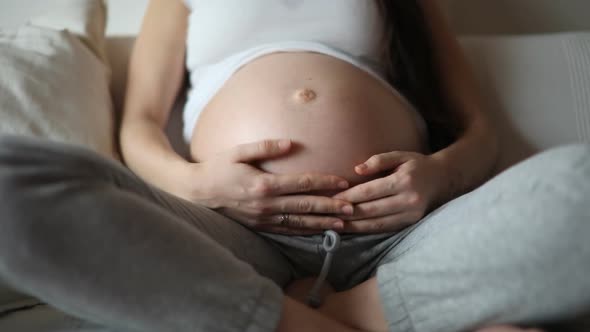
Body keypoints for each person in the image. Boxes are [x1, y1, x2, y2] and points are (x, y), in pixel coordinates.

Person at [0, 0, 588, 331]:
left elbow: (480, 134)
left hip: (401, 237)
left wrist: (436, 176)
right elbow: (140, 126)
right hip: (236, 236)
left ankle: (340, 313)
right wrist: (200, 184)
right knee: (9, 183)